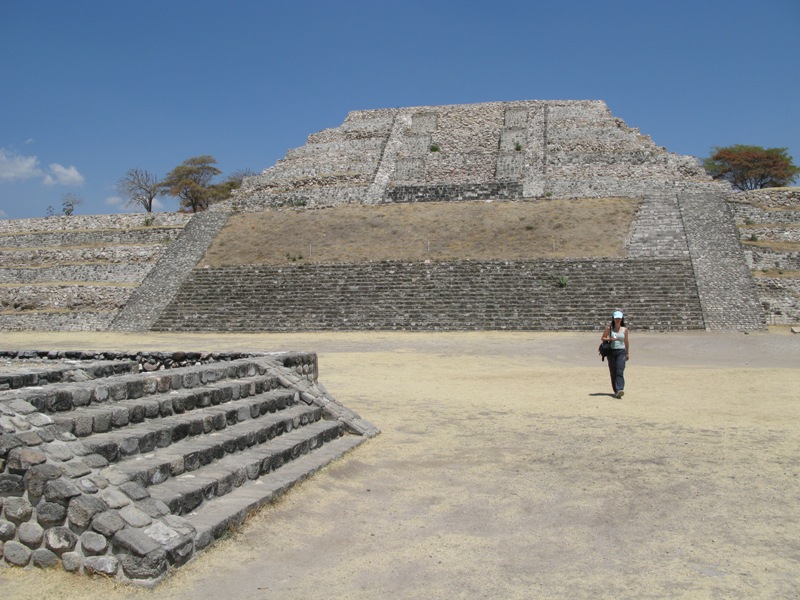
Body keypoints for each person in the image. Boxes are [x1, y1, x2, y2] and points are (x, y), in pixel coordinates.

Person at [601, 310, 629, 398]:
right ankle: (616, 390)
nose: (617, 320)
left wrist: (627, 352)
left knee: (620, 370)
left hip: (621, 351)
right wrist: (609, 338)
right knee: (613, 371)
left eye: (619, 318)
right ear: (613, 319)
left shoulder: (625, 330)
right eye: (616, 318)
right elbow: (602, 338)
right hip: (611, 351)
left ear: (621, 319)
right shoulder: (609, 328)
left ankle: (620, 389)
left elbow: (626, 341)